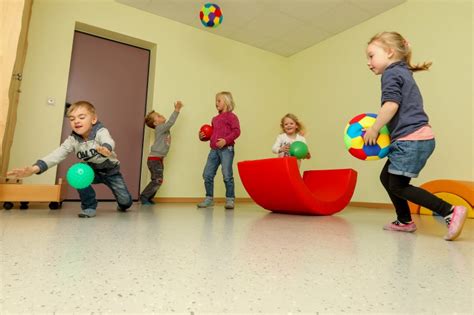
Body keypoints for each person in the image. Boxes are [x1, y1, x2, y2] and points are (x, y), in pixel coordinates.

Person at [364, 31, 467, 240]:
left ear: (390, 52)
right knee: (387, 178)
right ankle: (404, 221)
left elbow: (391, 105)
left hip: (411, 139)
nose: (368, 62)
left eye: (371, 55)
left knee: (399, 186)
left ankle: (449, 210)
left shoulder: (391, 74)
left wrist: (375, 128)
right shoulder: (403, 71)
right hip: (417, 137)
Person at [6, 100, 133, 218]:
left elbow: (108, 140)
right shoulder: (72, 140)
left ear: (93, 119)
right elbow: (56, 155)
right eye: (72, 119)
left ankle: (123, 203)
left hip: (110, 171)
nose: (76, 121)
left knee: (125, 202)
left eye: (81, 117)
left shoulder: (100, 131)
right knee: (76, 175)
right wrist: (34, 169)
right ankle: (89, 206)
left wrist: (106, 148)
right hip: (90, 171)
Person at [197, 91, 240, 210]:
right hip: (214, 150)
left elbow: (236, 131)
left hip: (227, 149)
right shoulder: (214, 119)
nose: (216, 103)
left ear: (226, 102)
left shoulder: (232, 117)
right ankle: (209, 199)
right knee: (207, 174)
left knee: (227, 175)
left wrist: (225, 141)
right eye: (216, 100)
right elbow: (213, 135)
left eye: (218, 100)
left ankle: (230, 199)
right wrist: (203, 137)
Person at [140, 101, 183, 205]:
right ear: (155, 123)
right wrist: (177, 110)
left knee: (158, 180)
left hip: (158, 159)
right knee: (158, 180)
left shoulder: (163, 129)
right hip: (154, 160)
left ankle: (149, 197)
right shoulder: (160, 128)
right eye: (158, 116)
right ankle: (145, 196)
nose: (161, 115)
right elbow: (170, 122)